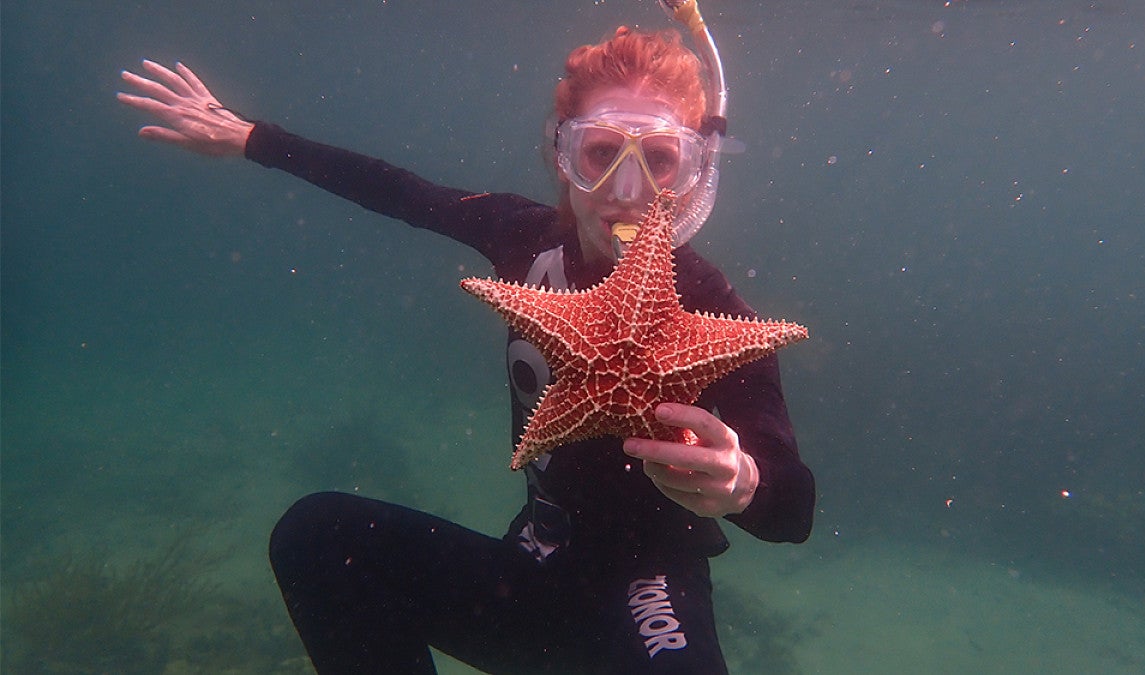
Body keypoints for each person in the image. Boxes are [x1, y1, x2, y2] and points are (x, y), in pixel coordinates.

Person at [119, 24, 815, 675]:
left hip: (649, 591)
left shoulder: (712, 312)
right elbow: (397, 190)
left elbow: (793, 508)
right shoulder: (525, 237)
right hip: (530, 565)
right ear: (562, 155)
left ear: (695, 173)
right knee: (316, 536)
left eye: (660, 159)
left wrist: (742, 481)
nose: (627, 190)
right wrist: (250, 138)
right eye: (602, 152)